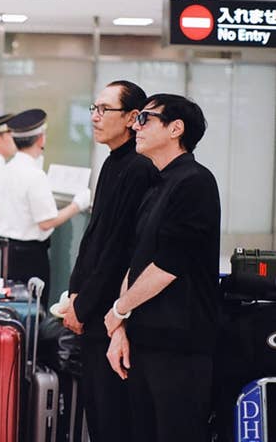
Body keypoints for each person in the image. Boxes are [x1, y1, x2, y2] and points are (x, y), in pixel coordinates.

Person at [104, 94, 220, 442]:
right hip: (145, 339)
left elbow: (169, 265)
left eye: (146, 119)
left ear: (176, 129)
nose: (136, 126)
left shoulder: (195, 182)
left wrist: (120, 308)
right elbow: (136, 259)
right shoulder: (157, 181)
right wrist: (120, 326)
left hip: (179, 345)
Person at [61, 80, 156, 442]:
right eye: (94, 109)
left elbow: (119, 250)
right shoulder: (113, 161)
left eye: (105, 110)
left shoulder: (137, 167)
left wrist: (83, 307)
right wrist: (73, 294)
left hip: (111, 314)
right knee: (97, 413)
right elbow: (94, 239)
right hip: (92, 307)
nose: (96, 118)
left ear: (133, 118)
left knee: (113, 417)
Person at [0, 109, 90, 306]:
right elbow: (46, 222)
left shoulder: (6, 169)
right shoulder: (35, 175)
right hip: (30, 255)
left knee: (10, 306)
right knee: (33, 309)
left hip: (6, 249)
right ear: (40, 139)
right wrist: (78, 204)